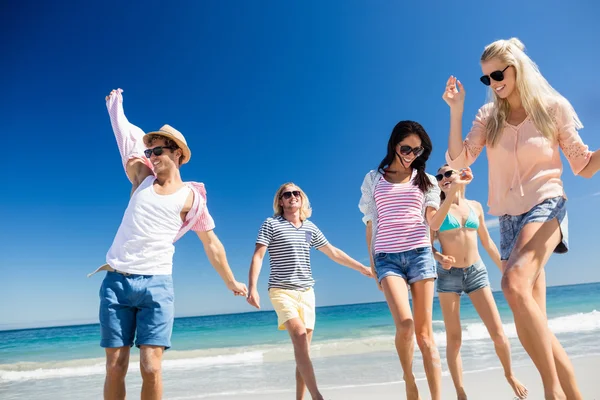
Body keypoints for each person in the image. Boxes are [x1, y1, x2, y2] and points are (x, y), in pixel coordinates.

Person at [443, 37, 599, 400]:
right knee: (532, 320)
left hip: (547, 206)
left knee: (512, 285)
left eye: (498, 73)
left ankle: (552, 392)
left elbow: (584, 166)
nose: (494, 81)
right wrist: (456, 108)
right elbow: (458, 161)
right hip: (510, 221)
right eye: (486, 78)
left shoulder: (552, 107)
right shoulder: (488, 118)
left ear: (518, 67)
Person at [89, 89, 248, 400]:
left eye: (158, 151)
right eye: (149, 153)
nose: (151, 157)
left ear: (176, 152)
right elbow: (125, 139)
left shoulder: (192, 199)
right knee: (115, 366)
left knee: (151, 367)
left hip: (157, 285)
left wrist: (231, 281)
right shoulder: (141, 179)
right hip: (116, 283)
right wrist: (115, 108)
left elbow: (212, 243)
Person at [359, 120, 471, 400]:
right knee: (406, 326)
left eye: (417, 150)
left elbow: (433, 221)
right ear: (394, 145)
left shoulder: (427, 181)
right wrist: (373, 264)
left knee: (426, 337)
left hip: (420, 255)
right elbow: (371, 223)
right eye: (406, 148)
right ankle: (409, 377)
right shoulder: (373, 179)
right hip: (387, 259)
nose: (411, 154)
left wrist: (453, 192)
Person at [247, 182, 373, 400]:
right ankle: (317, 396)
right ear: (280, 200)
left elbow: (332, 252)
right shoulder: (271, 224)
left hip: (306, 292)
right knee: (299, 335)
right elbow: (258, 255)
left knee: (303, 350)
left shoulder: (309, 228)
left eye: (297, 193)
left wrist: (362, 267)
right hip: (281, 291)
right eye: (287, 194)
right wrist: (252, 288)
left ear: (301, 198)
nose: (293, 197)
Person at [431, 164, 528, 399]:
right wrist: (440, 256)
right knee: (454, 339)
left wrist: (506, 270)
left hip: (476, 272)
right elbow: (429, 242)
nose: (443, 178)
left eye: (448, 173)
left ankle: (509, 374)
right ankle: (461, 392)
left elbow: (488, 242)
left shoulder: (475, 207)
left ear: (458, 175)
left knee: (497, 332)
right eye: (439, 176)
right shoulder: (436, 209)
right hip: (449, 276)